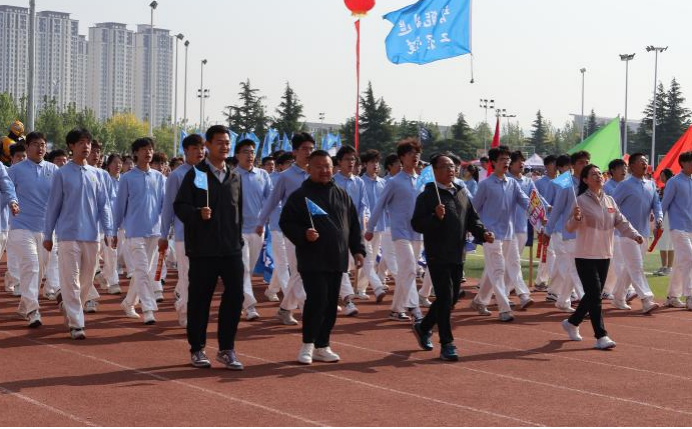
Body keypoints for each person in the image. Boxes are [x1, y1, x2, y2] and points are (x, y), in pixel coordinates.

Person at [280, 150, 366, 365]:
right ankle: (307, 345)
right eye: (318, 166)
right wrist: (303, 234)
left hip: (337, 258)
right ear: (309, 168)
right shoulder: (300, 196)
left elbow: (353, 224)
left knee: (330, 305)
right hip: (312, 258)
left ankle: (322, 345)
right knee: (316, 301)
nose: (324, 170)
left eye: (327, 166)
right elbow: (286, 222)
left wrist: (358, 249)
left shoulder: (341, 194)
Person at [174, 125, 245, 370]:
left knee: (235, 296)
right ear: (208, 145)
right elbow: (180, 206)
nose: (224, 147)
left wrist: (238, 240)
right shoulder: (196, 175)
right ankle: (197, 348)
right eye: (219, 142)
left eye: (227, 143)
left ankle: (226, 349)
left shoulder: (234, 176)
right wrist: (197, 213)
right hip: (203, 249)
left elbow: (239, 211)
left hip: (231, 249)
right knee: (200, 300)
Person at [411, 154, 492, 361]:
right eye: (445, 167)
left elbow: (472, 219)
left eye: (452, 166)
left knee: (452, 297)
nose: (450, 170)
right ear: (434, 171)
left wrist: (483, 233)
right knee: (445, 298)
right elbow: (417, 224)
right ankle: (447, 343)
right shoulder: (428, 196)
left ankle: (424, 326)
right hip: (437, 254)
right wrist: (434, 216)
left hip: (457, 252)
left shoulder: (461, 192)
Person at [44, 128, 115, 340]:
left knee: (86, 281)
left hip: (91, 236)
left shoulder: (99, 174)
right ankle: (77, 323)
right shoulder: (62, 173)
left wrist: (109, 231)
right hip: (68, 235)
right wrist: (48, 235)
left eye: (88, 142)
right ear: (71, 146)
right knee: (71, 280)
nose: (86, 146)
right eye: (81, 142)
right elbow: (53, 207)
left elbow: (104, 206)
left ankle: (70, 307)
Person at [562, 164, 643, 350]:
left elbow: (621, 221)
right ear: (585, 180)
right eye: (593, 174)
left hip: (605, 254)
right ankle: (601, 336)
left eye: (600, 173)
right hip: (585, 255)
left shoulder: (610, 200)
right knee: (595, 296)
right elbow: (569, 227)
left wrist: (634, 234)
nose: (598, 176)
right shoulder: (580, 201)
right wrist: (576, 218)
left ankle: (572, 322)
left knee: (594, 294)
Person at [256, 133, 315, 326]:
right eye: (305, 149)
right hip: (292, 231)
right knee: (299, 270)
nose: (309, 152)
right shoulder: (286, 176)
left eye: (311, 148)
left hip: (314, 231)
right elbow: (272, 201)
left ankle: (284, 309)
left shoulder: (316, 174)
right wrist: (261, 222)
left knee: (304, 272)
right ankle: (308, 309)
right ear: (295, 152)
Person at [366, 139, 424, 322]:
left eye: (417, 153)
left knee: (407, 271)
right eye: (410, 154)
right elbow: (379, 205)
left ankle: (396, 310)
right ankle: (414, 308)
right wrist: (370, 228)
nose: (415, 157)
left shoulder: (422, 182)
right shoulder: (394, 182)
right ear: (402, 158)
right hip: (399, 232)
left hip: (417, 233)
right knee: (410, 269)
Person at [470, 146, 530, 322]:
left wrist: (540, 211)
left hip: (509, 234)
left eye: (507, 159)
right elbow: (474, 209)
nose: (506, 162)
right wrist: (474, 229)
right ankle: (504, 309)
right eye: (502, 159)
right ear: (493, 162)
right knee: (498, 270)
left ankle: (479, 301)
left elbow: (525, 201)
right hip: (490, 235)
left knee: (494, 270)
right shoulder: (485, 185)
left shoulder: (512, 183)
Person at [9, 132, 57, 328]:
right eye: (36, 144)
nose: (40, 148)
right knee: (31, 266)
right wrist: (11, 203)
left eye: (43, 144)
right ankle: (33, 310)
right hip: (21, 227)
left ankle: (24, 306)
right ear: (27, 147)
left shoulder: (53, 170)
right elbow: (6, 192)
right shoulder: (15, 170)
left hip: (45, 230)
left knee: (39, 271)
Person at [159, 134, 206, 328]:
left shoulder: (206, 174)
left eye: (202, 148)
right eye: (195, 148)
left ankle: (181, 297)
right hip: (184, 234)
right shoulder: (176, 175)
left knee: (201, 277)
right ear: (185, 151)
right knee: (188, 276)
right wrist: (163, 235)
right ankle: (186, 313)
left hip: (206, 234)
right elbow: (168, 207)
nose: (200, 152)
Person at [544, 151, 591, 312]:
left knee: (572, 268)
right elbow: (556, 209)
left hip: (587, 233)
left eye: (587, 162)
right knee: (575, 268)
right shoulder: (566, 184)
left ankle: (563, 300)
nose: (585, 165)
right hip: (569, 232)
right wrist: (547, 231)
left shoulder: (591, 183)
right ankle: (586, 301)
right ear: (573, 165)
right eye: (581, 162)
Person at [234, 138, 273, 321]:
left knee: (248, 269)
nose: (250, 155)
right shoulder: (232, 175)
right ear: (237, 155)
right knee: (243, 269)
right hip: (238, 230)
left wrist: (265, 220)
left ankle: (238, 298)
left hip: (258, 229)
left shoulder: (263, 175)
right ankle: (250, 306)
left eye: (252, 151)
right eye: (245, 152)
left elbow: (271, 199)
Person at [333, 145, 368, 315]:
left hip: (353, 230)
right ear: (339, 162)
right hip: (335, 230)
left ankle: (334, 297)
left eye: (353, 159)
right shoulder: (333, 181)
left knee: (344, 265)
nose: (351, 162)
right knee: (341, 265)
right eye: (347, 159)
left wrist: (363, 221)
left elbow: (363, 205)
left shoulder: (359, 182)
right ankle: (348, 300)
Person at [661, 151, 692, 310]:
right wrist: (659, 221)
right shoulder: (674, 182)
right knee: (689, 258)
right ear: (683, 163)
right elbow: (664, 203)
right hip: (678, 227)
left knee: (681, 262)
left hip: (690, 227)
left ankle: (672, 296)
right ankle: (690, 296)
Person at [265, 152, 295, 303]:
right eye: (289, 162)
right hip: (276, 226)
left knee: (285, 261)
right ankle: (292, 296)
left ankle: (272, 289)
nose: (292, 165)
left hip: (292, 226)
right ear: (280, 166)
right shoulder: (270, 179)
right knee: (282, 262)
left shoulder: (296, 179)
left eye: (293, 162)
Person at [360, 149, 388, 302]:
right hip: (364, 226)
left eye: (377, 162)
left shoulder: (383, 183)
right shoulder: (360, 182)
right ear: (365, 164)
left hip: (380, 225)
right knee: (367, 257)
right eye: (372, 162)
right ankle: (367, 287)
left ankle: (361, 288)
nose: (375, 165)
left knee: (372, 257)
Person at [533, 155, 558, 292]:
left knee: (550, 253)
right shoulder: (539, 183)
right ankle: (551, 282)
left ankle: (540, 280)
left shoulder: (562, 182)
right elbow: (535, 202)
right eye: (554, 164)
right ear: (547, 166)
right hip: (545, 222)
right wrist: (540, 220)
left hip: (559, 222)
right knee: (549, 252)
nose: (556, 167)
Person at [101, 154, 124, 295]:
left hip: (122, 223)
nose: (118, 165)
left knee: (117, 253)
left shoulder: (125, 180)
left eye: (120, 163)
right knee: (111, 252)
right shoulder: (104, 180)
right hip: (106, 223)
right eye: (115, 162)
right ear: (108, 165)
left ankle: (103, 275)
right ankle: (113, 282)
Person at [654, 169, 675, 277]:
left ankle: (669, 267)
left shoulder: (673, 187)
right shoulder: (662, 188)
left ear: (668, 176)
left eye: (662, 175)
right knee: (662, 241)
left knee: (670, 243)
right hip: (662, 217)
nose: (661, 177)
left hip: (670, 218)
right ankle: (664, 266)